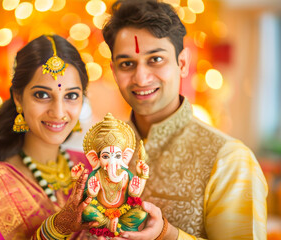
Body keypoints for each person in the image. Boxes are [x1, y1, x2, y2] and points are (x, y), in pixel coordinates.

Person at [102, 0, 268, 239]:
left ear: (182, 63)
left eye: (155, 59)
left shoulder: (229, 160)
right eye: (127, 64)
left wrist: (167, 234)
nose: (141, 77)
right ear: (114, 70)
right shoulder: (107, 147)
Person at [0, 34, 98, 239]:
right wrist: (55, 229)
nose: (58, 112)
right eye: (42, 95)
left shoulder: (91, 168)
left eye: (71, 96)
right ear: (19, 98)